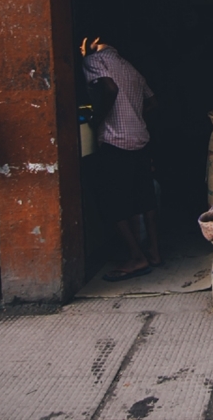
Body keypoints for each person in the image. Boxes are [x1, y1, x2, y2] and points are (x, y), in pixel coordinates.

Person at [80, 35, 162, 282]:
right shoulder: (129, 66)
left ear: (92, 41)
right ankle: (155, 253)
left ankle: (136, 257)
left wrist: (99, 118)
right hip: (140, 138)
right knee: (144, 198)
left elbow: (110, 89)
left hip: (116, 141)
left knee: (112, 201)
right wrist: (134, 116)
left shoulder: (94, 61)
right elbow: (153, 102)